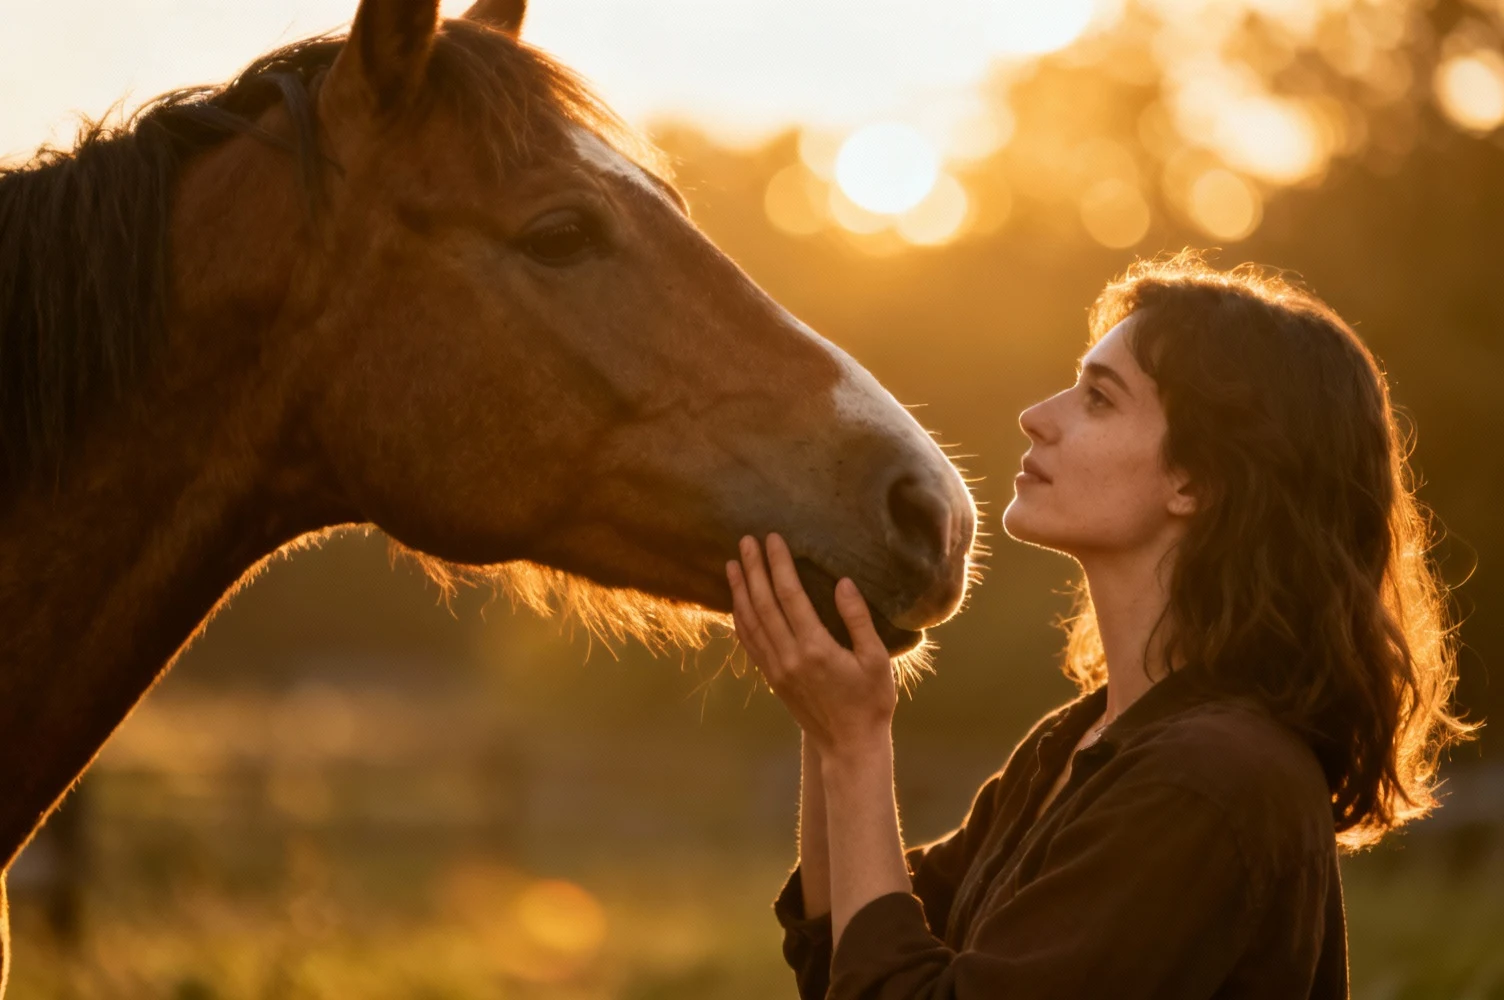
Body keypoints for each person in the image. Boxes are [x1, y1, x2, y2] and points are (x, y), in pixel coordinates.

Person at [726, 254, 1476, 1000]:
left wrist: (857, 746)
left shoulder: (1209, 782)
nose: (1037, 417)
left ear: (1198, 480)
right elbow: (849, 963)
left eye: (1098, 399)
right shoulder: (1080, 741)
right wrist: (828, 719)